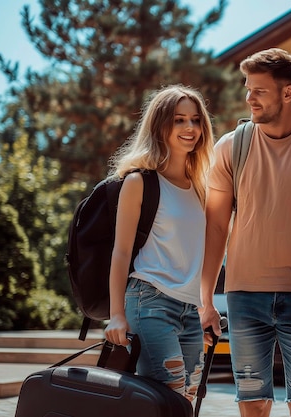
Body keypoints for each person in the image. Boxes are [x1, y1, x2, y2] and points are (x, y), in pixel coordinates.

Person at [200, 47, 291, 417]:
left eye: (259, 91)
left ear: (287, 92)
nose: (249, 98)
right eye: (248, 89)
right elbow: (215, 225)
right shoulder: (231, 147)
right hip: (244, 297)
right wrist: (206, 298)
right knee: (253, 403)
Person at [104, 84, 214, 402]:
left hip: (189, 310)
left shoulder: (201, 188)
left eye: (195, 120)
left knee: (187, 398)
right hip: (149, 302)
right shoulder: (140, 182)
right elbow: (121, 251)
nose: (189, 128)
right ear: (160, 124)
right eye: (179, 120)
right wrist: (116, 314)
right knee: (170, 395)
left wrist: (205, 307)